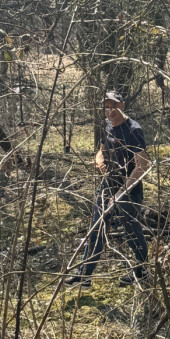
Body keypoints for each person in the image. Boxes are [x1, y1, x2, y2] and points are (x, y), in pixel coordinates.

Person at [65, 91, 151, 288]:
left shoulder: (133, 130)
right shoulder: (107, 125)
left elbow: (143, 164)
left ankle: (141, 271)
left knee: (132, 229)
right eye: (106, 107)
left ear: (122, 105)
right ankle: (83, 276)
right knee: (97, 227)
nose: (110, 111)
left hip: (130, 185)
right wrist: (100, 159)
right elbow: (101, 149)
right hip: (109, 182)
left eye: (113, 106)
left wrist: (122, 193)